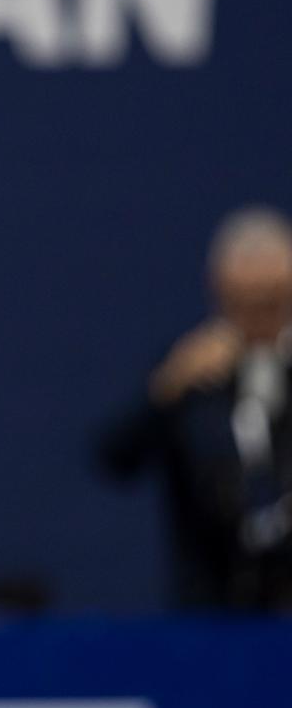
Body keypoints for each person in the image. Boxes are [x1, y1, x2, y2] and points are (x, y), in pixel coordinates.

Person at [97, 207, 292, 610]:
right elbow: (114, 457)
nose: (256, 321)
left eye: (271, 303)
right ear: (217, 292)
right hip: (209, 609)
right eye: (242, 304)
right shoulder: (190, 375)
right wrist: (166, 388)